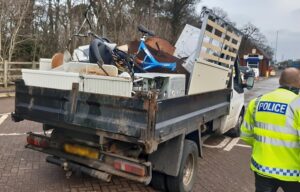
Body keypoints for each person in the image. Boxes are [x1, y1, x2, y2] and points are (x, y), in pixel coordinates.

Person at [241, 67, 300, 192]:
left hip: (263, 169)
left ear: (280, 81)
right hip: (294, 174)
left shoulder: (257, 102)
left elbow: (246, 135)